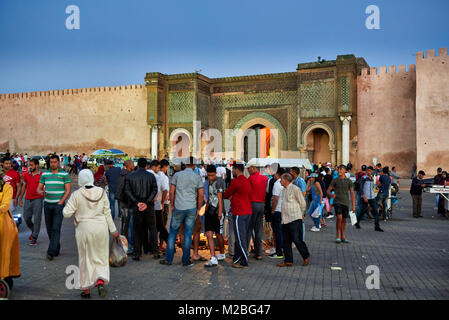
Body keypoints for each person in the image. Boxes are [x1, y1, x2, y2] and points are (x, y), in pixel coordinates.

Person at [63, 169, 119, 298]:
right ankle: (100, 281)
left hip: (84, 229)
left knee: (85, 259)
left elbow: (66, 213)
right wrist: (114, 231)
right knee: (100, 256)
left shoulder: (76, 194)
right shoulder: (101, 192)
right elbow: (107, 213)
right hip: (101, 229)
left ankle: (86, 289)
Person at [160, 156, 204, 266]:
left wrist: (172, 205)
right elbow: (201, 194)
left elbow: (172, 192)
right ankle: (185, 260)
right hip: (191, 208)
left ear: (185, 164)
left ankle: (168, 259)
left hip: (179, 207)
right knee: (188, 234)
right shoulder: (197, 177)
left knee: (173, 233)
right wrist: (198, 208)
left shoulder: (177, 175)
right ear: (194, 165)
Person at [37, 154, 71, 260]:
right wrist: (41, 192)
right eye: (51, 162)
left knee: (56, 228)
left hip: (58, 205)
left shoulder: (64, 174)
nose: (53, 164)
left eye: (55, 162)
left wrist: (61, 201)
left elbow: (68, 190)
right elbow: (38, 189)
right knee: (49, 228)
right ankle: (56, 247)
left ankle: (50, 252)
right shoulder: (44, 174)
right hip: (47, 204)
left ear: (58, 162)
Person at [124, 158, 158, 261]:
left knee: (136, 229)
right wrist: (147, 202)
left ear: (137, 165)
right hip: (149, 206)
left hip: (136, 205)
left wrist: (137, 202)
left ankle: (137, 253)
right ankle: (155, 251)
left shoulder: (131, 176)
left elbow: (127, 190)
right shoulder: (151, 176)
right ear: (146, 166)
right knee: (152, 229)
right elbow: (154, 190)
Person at [278, 173, 310, 267]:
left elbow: (302, 203)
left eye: (281, 179)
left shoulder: (295, 189)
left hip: (294, 218)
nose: (280, 181)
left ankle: (306, 256)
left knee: (297, 239)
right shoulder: (283, 190)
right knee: (286, 240)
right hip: (285, 219)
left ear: (285, 180)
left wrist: (301, 213)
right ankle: (288, 260)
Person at [223, 163, 252, 268]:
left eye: (233, 170)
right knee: (241, 236)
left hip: (239, 211)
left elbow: (226, 194)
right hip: (247, 211)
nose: (232, 172)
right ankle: (237, 258)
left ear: (236, 170)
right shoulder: (246, 180)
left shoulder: (236, 181)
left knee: (240, 238)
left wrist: (231, 195)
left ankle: (244, 261)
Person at [0, 167, 21, 291]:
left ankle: (5, 278)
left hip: (4, 224)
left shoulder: (7, 188)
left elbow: (5, 205)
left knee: (5, 252)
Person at [203, 165, 226, 267]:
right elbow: (209, 196)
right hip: (209, 211)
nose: (210, 177)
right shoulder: (208, 181)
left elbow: (220, 199)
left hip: (217, 212)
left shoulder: (219, 182)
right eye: (209, 175)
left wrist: (220, 213)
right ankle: (213, 257)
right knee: (208, 233)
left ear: (215, 173)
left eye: (212, 175)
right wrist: (206, 207)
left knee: (218, 234)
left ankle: (222, 252)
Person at [327, 165, 356, 243]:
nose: (339, 170)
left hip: (346, 202)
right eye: (339, 169)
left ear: (345, 171)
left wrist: (353, 206)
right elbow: (328, 190)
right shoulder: (335, 180)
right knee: (339, 217)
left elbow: (352, 194)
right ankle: (337, 236)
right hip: (337, 202)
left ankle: (343, 236)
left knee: (344, 220)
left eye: (341, 169)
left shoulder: (349, 181)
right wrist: (331, 194)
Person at [18, 158, 43, 246]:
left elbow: (45, 187)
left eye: (31, 165)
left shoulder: (42, 175)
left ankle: (34, 237)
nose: (30, 167)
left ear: (36, 165)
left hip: (38, 199)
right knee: (26, 217)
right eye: (29, 165)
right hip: (27, 199)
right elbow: (24, 187)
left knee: (37, 219)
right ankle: (34, 231)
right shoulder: (27, 175)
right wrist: (21, 199)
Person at [247, 164, 268, 261]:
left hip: (252, 204)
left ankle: (246, 251)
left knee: (249, 228)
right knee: (259, 230)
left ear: (254, 168)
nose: (247, 170)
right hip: (261, 205)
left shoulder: (250, 178)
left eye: (249, 168)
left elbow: (247, 192)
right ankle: (258, 253)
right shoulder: (265, 178)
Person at [115, 159, 135, 254]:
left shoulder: (122, 174)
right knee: (128, 223)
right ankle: (128, 245)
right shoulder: (129, 175)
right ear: (129, 166)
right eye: (132, 164)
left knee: (124, 222)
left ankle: (123, 242)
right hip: (126, 202)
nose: (134, 166)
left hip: (122, 201)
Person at [355, 166, 383, 232]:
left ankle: (377, 226)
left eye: (371, 170)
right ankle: (357, 222)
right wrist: (364, 196)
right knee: (363, 211)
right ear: (367, 171)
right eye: (368, 170)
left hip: (372, 197)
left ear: (372, 171)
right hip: (365, 197)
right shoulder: (363, 178)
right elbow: (361, 188)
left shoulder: (372, 179)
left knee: (376, 211)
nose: (369, 172)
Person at [147, 160, 167, 255]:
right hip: (157, 205)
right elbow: (163, 191)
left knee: (150, 227)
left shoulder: (147, 175)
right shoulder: (157, 177)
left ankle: (150, 247)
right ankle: (159, 247)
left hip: (147, 205)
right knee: (159, 227)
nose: (159, 170)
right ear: (154, 167)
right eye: (158, 168)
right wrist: (162, 203)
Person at [157, 159, 171, 252]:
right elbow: (165, 191)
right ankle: (161, 245)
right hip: (163, 203)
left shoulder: (155, 174)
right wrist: (162, 203)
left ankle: (156, 244)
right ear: (165, 167)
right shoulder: (164, 177)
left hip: (155, 204)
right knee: (163, 225)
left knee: (156, 226)